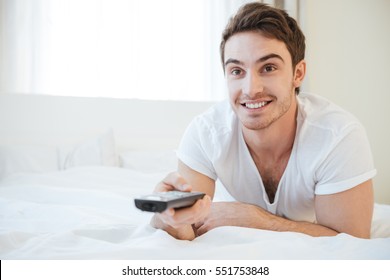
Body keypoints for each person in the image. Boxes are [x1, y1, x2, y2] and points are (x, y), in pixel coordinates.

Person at [151, 2, 376, 241]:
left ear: (297, 74)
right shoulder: (206, 133)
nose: (251, 89)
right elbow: (186, 230)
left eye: (268, 68)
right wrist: (164, 214)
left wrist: (257, 220)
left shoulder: (337, 136)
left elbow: (351, 241)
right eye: (237, 71)